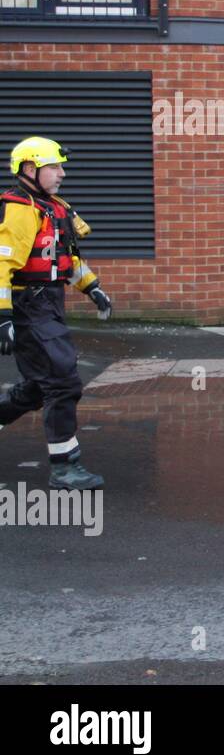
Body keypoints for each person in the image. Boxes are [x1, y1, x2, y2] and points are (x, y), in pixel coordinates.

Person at [0, 137, 112, 490]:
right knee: (62, 382)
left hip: (48, 303)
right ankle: (65, 467)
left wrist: (92, 287)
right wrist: (3, 318)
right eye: (55, 167)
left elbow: (65, 259)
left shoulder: (53, 208)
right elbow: (2, 265)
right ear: (30, 169)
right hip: (29, 307)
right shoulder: (20, 209)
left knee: (39, 386)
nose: (62, 174)